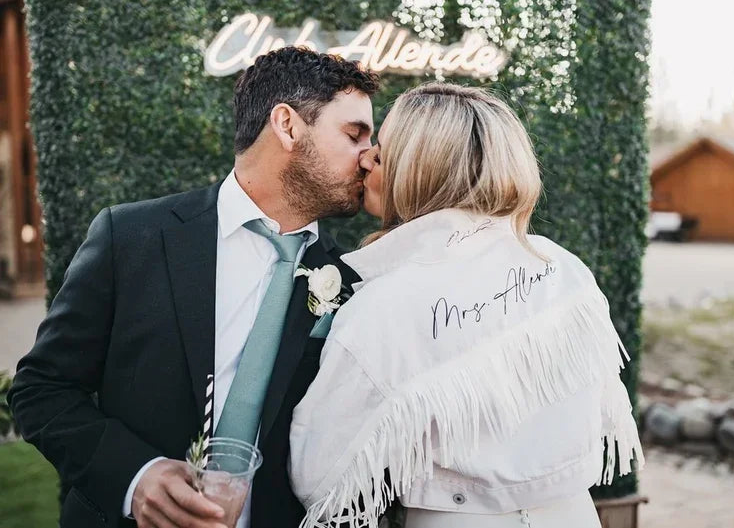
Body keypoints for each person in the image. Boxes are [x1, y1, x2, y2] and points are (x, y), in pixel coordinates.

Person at [9, 47, 379, 528]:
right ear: (287, 126)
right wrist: (135, 476)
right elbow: (42, 389)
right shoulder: (131, 236)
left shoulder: (350, 281)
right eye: (354, 135)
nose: (369, 157)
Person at [289, 83, 645, 528]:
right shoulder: (563, 267)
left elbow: (319, 475)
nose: (365, 160)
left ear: (417, 174)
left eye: (380, 155)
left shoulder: (386, 304)